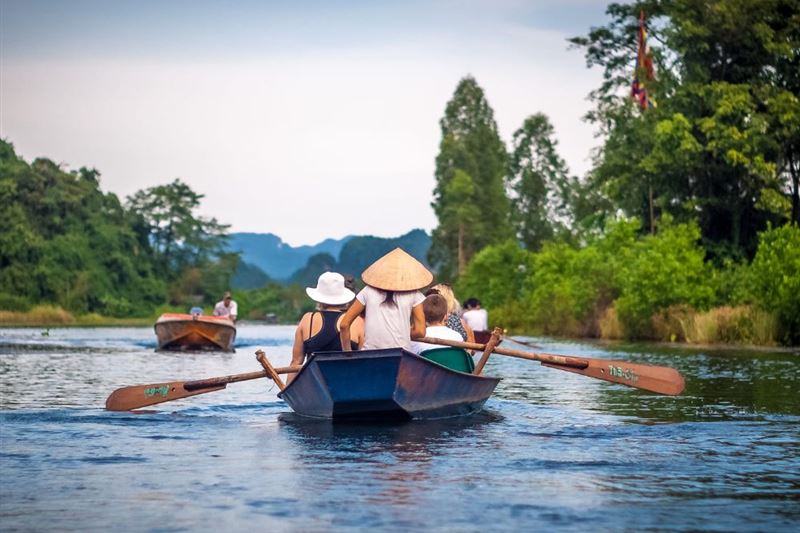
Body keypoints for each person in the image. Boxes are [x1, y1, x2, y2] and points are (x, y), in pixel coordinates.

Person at [339, 248, 432, 351]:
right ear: (406, 274)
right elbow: (420, 331)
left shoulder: (367, 291)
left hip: (370, 356)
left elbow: (344, 325)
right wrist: (402, 333)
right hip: (401, 355)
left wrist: (347, 353)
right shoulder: (414, 294)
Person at [289, 272, 365, 383]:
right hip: (348, 382)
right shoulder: (357, 321)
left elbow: (296, 362)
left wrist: (287, 392)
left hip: (315, 384)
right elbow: (363, 360)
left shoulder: (308, 319)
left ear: (319, 298)